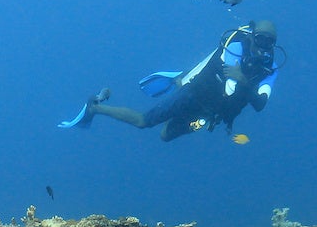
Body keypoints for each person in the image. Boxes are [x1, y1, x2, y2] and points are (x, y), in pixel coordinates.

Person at [60, 19, 281, 141]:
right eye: (260, 39)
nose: (263, 46)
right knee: (143, 122)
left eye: (268, 42)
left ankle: (179, 79)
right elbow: (231, 88)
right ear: (252, 37)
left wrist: (243, 80)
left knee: (165, 137)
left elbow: (260, 104)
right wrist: (244, 83)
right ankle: (95, 107)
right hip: (192, 95)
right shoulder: (234, 47)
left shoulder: (270, 69)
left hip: (211, 114)